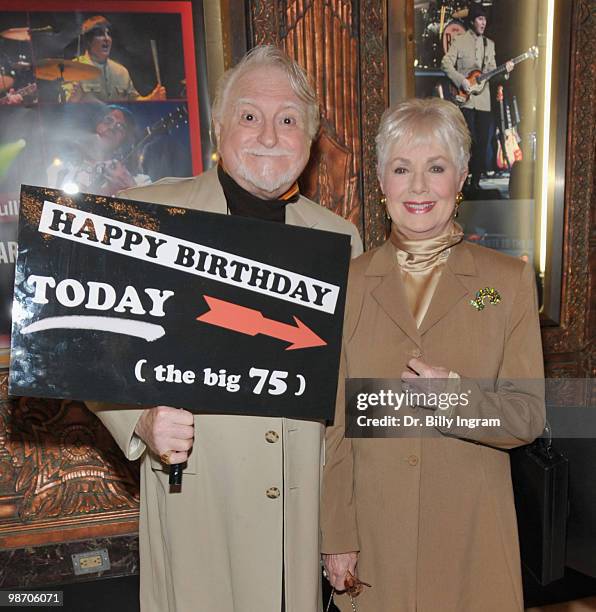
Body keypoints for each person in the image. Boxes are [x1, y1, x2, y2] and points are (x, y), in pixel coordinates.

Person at [86, 45, 363, 612]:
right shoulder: (149, 215)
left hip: (296, 521)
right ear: (218, 125)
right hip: (199, 511)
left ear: (309, 140)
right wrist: (138, 418)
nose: (268, 134)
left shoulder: (340, 241)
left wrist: (340, 530)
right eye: (249, 115)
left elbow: (342, 396)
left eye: (288, 120)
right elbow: (89, 345)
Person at [320, 98, 545, 611]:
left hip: (472, 540)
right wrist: (337, 535)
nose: (418, 187)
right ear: (381, 182)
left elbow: (527, 414)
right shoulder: (349, 284)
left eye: (436, 167)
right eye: (402, 169)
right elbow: (335, 426)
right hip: (376, 543)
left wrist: (453, 399)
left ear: (461, 177)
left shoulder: (503, 284)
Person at [441, 3, 513, 192]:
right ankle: (463, 182)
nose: (483, 23)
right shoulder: (459, 40)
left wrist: (505, 72)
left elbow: (492, 72)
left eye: (485, 19)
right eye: (480, 19)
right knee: (467, 142)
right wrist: (461, 81)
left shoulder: (490, 44)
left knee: (481, 142)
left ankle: (476, 182)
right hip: (465, 100)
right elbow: (445, 63)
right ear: (472, 21)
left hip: (483, 102)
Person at [46, 104, 149, 196]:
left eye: (120, 127)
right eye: (108, 121)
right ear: (95, 125)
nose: (112, 128)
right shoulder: (60, 171)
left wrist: (130, 187)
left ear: (124, 141)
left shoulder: (141, 181)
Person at [64, 16, 166, 103]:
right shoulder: (73, 69)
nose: (106, 38)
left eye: (108, 34)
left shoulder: (121, 71)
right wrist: (73, 100)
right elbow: (64, 110)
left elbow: (134, 102)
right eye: (100, 34)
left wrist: (152, 98)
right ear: (88, 40)